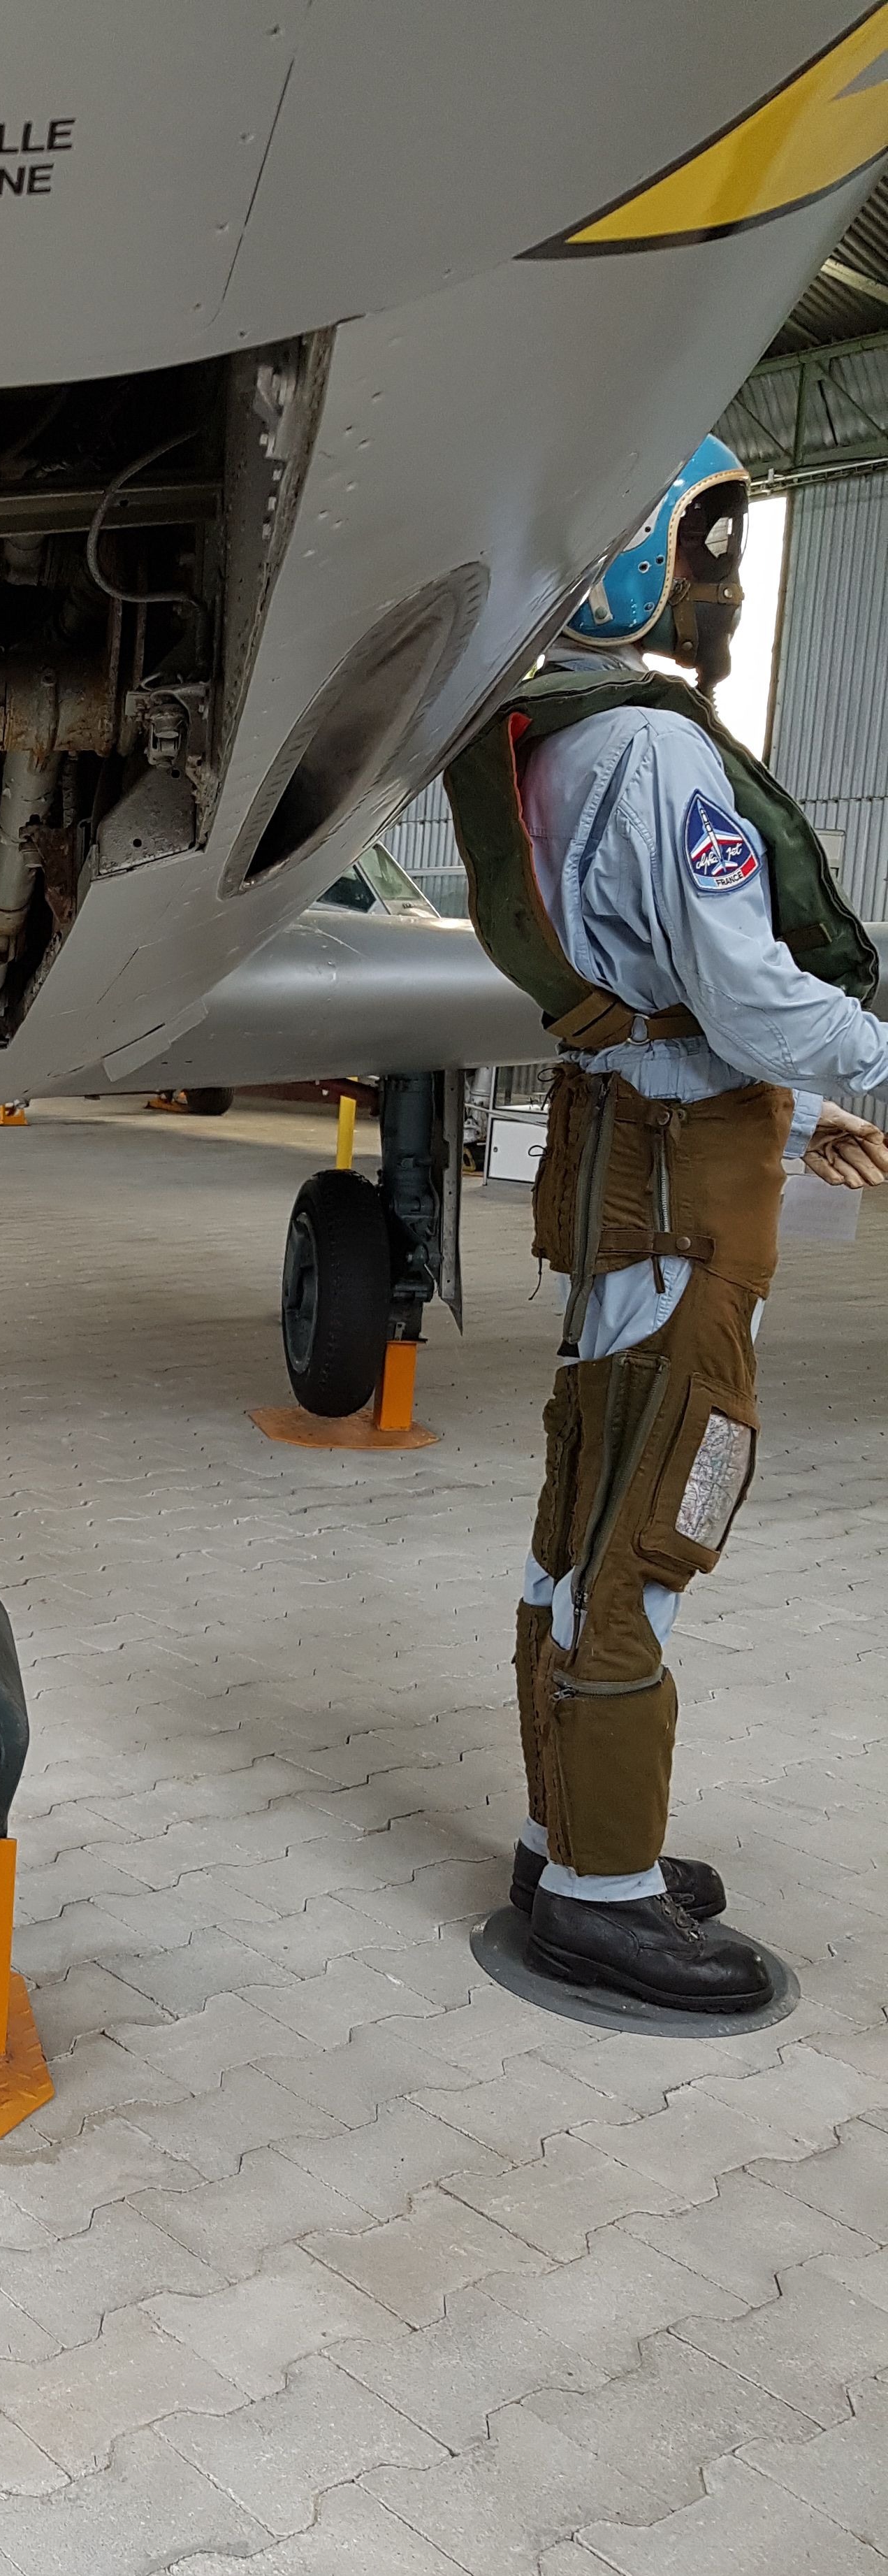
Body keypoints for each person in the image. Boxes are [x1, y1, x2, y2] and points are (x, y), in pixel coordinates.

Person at [444, 436, 888, 2010]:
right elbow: (747, 995)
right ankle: (603, 1895)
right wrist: (873, 1064)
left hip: (627, 1151)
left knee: (590, 1495)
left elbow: (655, 996)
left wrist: (810, 1110)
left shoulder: (550, 737)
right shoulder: (653, 752)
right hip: (679, 1186)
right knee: (657, 1507)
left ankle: (570, 1838)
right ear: (638, 559)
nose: (724, 586)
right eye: (709, 547)